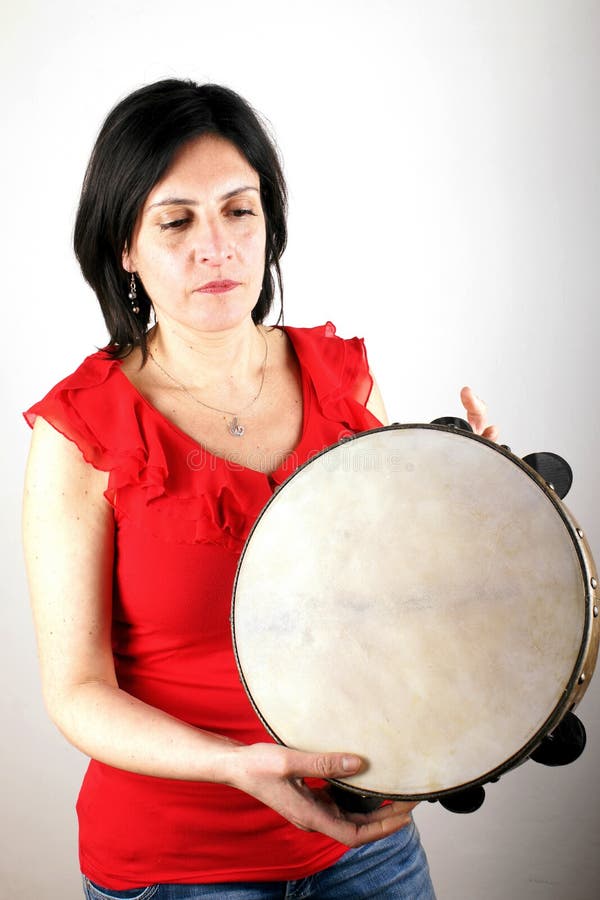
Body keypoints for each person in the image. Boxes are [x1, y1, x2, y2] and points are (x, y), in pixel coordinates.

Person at [22, 79, 497, 900]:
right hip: (176, 871)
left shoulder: (344, 380)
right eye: (177, 221)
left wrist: (472, 506)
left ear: (269, 222)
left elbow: (389, 607)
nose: (218, 246)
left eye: (239, 211)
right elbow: (76, 690)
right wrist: (234, 766)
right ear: (125, 248)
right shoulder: (80, 431)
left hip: (368, 845)